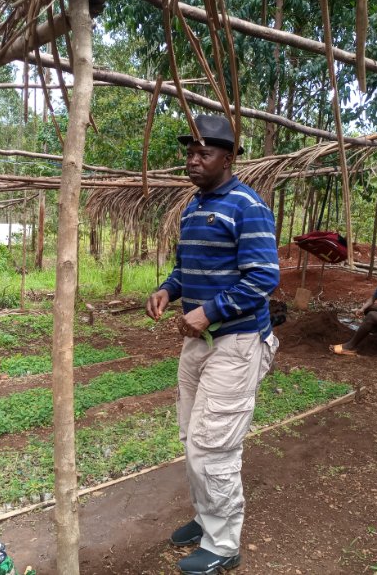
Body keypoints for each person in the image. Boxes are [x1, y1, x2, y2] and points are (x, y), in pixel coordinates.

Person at [145, 115, 279, 575]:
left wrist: (210, 310)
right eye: (190, 153)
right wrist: (168, 289)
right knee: (192, 436)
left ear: (228, 158)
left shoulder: (247, 206)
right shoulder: (193, 207)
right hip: (200, 340)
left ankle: (223, 544)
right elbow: (186, 268)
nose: (193, 160)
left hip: (237, 341)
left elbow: (263, 278)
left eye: (204, 153)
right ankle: (206, 518)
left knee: (213, 444)